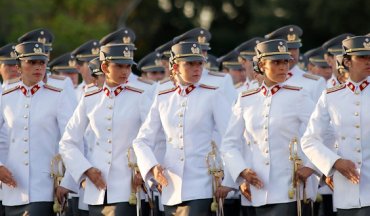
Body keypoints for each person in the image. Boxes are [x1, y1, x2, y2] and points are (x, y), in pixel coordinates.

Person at [133, 41, 232, 216]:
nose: (197, 68)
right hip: (170, 187)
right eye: (190, 64)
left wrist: (229, 180)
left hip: (202, 186)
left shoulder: (213, 94)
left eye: (199, 63)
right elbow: (141, 140)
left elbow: (231, 138)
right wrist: (152, 167)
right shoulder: (163, 97)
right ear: (175, 67)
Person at [221, 39, 317, 216]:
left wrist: (311, 167)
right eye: (276, 62)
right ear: (261, 65)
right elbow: (229, 144)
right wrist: (241, 171)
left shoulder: (299, 96)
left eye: (285, 61)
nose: (283, 67)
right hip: (259, 189)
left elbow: (323, 132)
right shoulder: (245, 99)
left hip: (292, 189)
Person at [59, 43, 150, 216]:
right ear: (104, 67)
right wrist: (85, 169)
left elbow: (153, 137)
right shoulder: (90, 98)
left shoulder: (140, 96)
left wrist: (144, 169)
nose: (125, 72)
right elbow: (67, 142)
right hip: (97, 190)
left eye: (128, 66)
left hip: (129, 188)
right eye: (119, 66)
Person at [0, 41, 75, 216]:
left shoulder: (57, 95)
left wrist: (67, 181)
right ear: (18, 67)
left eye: (41, 62)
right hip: (12, 189)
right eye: (31, 62)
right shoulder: (5, 96)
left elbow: (72, 140)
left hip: (44, 189)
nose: (38, 67)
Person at [301, 35, 370, 216]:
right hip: (347, 191)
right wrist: (334, 162)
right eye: (362, 57)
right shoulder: (331, 96)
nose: (368, 61)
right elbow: (309, 140)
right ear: (347, 61)